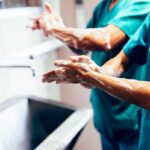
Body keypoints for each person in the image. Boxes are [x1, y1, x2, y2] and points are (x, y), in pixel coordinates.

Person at [30, 1, 150, 149]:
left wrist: (55, 28)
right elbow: (122, 59)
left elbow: (104, 39)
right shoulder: (104, 6)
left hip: (129, 122)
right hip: (106, 119)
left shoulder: (141, 3)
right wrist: (97, 73)